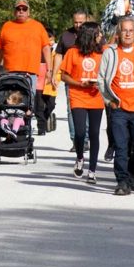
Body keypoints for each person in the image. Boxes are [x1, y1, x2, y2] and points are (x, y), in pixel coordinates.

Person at [97, 16, 134, 195]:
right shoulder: (111, 52)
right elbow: (101, 79)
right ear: (119, 33)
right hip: (119, 108)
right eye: (124, 30)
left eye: (131, 30)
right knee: (121, 146)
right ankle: (122, 181)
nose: (128, 34)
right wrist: (110, 101)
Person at [61, 22, 105, 185]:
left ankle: (92, 170)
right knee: (80, 133)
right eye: (98, 33)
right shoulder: (73, 52)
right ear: (90, 34)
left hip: (96, 96)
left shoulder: (103, 52)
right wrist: (80, 84)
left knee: (94, 133)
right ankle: (80, 157)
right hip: (78, 95)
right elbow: (64, 76)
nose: (100, 36)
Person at [0, 0, 53, 96]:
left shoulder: (38, 26)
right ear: (14, 11)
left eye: (24, 9)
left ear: (28, 12)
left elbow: (46, 49)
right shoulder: (6, 26)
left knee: (27, 104)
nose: (21, 11)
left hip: (30, 74)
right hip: (9, 73)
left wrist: (49, 70)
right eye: (18, 9)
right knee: (9, 103)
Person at [52, 10, 89, 152]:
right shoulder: (66, 36)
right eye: (76, 22)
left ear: (86, 20)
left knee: (87, 109)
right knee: (71, 109)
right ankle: (76, 140)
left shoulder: (94, 33)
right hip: (71, 78)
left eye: (81, 22)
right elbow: (59, 55)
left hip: (89, 78)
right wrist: (55, 74)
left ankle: (85, 138)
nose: (78, 25)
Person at [34, 28, 57, 136]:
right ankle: (41, 127)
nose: (51, 42)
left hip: (50, 84)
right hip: (38, 83)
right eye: (48, 40)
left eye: (52, 39)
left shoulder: (56, 53)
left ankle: (45, 118)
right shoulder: (37, 52)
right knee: (38, 107)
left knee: (51, 105)